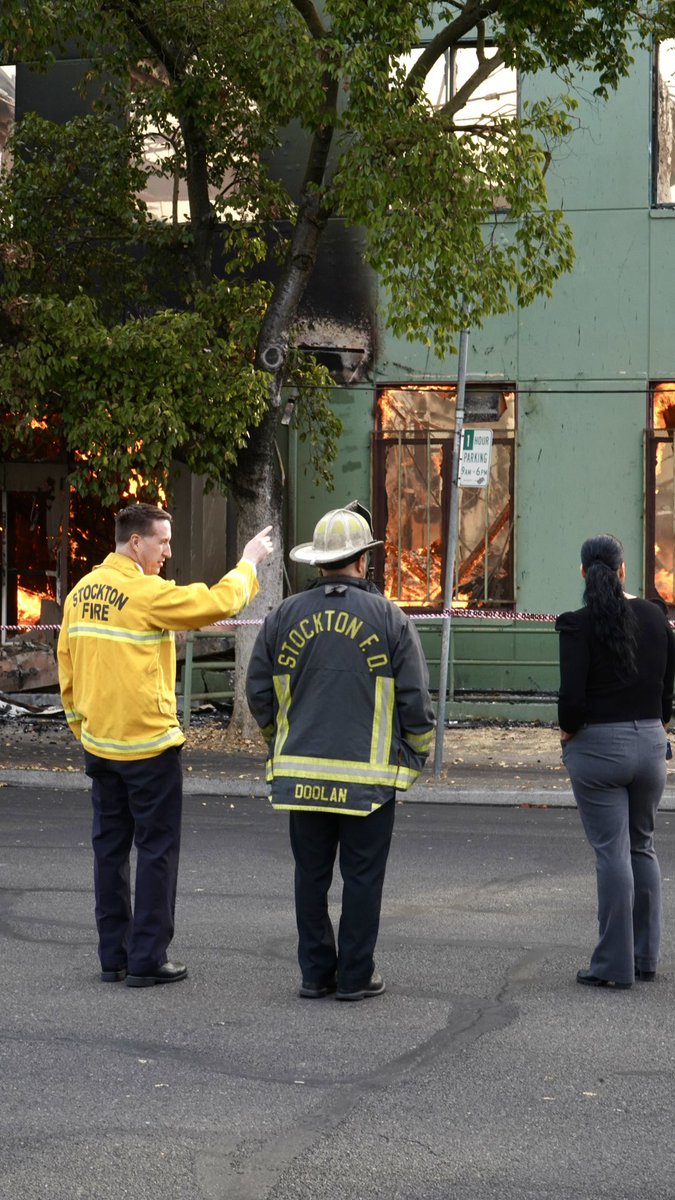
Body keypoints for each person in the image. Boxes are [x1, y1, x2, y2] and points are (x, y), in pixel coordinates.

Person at [57, 502, 273, 988]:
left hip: (100, 748)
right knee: (156, 851)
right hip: (149, 748)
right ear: (136, 542)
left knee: (109, 853)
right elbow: (217, 603)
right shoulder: (144, 594)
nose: (167, 553)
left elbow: (66, 670)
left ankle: (113, 955)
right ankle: (147, 959)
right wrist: (249, 562)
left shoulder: (80, 593)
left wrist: (82, 728)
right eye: (162, 542)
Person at [246, 503, 435, 1001]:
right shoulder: (390, 619)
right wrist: (415, 757)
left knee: (310, 878)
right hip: (369, 783)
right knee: (362, 879)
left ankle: (314, 975)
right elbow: (416, 701)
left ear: (319, 562)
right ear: (362, 561)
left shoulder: (283, 615)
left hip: (300, 777)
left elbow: (258, 692)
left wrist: (279, 740)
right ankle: (355, 977)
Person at [556, 533, 675, 989]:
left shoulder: (576, 624)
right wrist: (657, 723)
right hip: (650, 746)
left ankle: (612, 965)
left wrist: (569, 731)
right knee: (641, 845)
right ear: (624, 570)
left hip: (598, 751)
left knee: (612, 852)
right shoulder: (654, 615)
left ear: (584, 573)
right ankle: (646, 958)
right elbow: (667, 684)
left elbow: (572, 698)